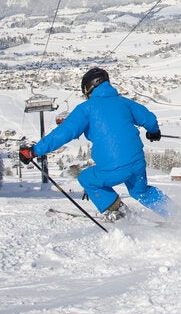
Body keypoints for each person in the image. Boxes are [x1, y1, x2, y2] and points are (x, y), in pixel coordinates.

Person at [19, 67, 171, 220]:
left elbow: (63, 133)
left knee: (87, 179)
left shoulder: (86, 109)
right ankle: (177, 215)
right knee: (141, 191)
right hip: (137, 163)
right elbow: (148, 118)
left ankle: (118, 213)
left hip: (114, 167)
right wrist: (153, 131)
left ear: (89, 88)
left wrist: (34, 151)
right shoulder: (124, 102)